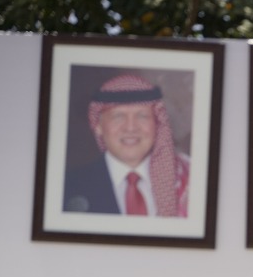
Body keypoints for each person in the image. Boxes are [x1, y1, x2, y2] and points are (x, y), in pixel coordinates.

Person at [63, 73, 190, 216]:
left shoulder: (189, 181)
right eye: (118, 116)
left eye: (142, 116)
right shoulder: (67, 187)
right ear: (98, 126)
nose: (130, 128)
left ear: (157, 124)